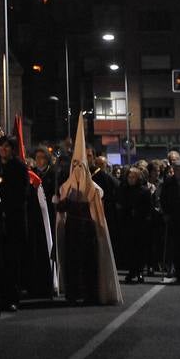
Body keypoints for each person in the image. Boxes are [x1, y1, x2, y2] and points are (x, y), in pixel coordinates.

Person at [55, 116, 122, 305]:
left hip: (87, 230)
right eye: (74, 166)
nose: (77, 169)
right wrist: (59, 203)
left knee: (88, 262)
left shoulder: (94, 188)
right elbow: (61, 208)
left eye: (80, 166)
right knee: (73, 262)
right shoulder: (66, 186)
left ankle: (90, 293)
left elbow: (96, 206)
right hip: (72, 230)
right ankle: (73, 292)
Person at [0, 134, 29, 312]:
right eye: (1, 146)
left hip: (13, 221)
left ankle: (13, 298)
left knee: (12, 261)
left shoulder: (19, 167)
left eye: (7, 146)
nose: (3, 149)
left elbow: (22, 194)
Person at [116, 166, 152, 283]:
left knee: (140, 249)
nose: (130, 180)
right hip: (128, 223)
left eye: (133, 178)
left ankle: (140, 271)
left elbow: (148, 208)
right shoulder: (124, 190)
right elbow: (120, 204)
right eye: (129, 177)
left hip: (140, 224)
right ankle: (132, 271)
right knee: (129, 249)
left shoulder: (144, 191)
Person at [161, 158, 180, 283]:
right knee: (176, 247)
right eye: (177, 169)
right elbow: (163, 199)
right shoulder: (168, 183)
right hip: (174, 218)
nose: (179, 171)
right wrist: (165, 213)